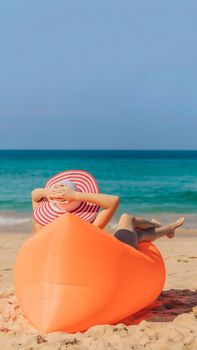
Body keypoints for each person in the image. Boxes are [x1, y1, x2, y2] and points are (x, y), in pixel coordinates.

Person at [31, 170, 184, 249]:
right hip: (120, 253)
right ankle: (160, 226)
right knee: (127, 219)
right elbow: (113, 200)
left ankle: (165, 227)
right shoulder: (90, 228)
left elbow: (34, 195)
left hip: (113, 250)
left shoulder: (44, 228)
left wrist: (47, 192)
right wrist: (76, 195)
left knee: (136, 233)